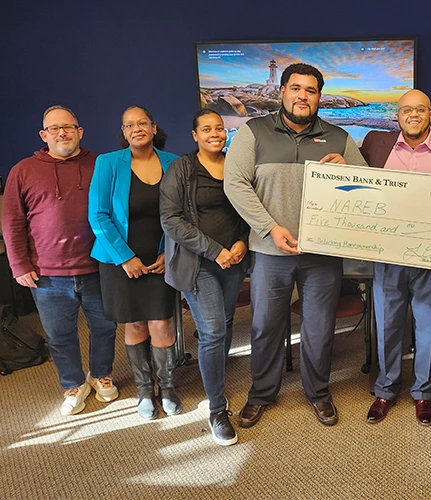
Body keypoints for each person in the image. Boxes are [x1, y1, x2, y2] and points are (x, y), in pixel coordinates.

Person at [224, 63, 368, 428]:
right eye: (296, 88)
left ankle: (318, 393)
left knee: (319, 328)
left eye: (311, 90)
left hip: (321, 254)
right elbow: (235, 184)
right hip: (270, 250)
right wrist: (270, 228)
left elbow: (367, 190)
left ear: (319, 97)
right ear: (282, 92)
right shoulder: (253, 132)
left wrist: (349, 172)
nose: (303, 96)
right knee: (265, 326)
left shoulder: (340, 138)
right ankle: (261, 393)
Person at [360, 89, 431, 426]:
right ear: (397, 115)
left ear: (430, 114)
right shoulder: (375, 144)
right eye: (406, 110)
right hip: (387, 252)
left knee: (430, 326)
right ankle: (386, 389)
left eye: (420, 109)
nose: (413, 115)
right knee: (387, 324)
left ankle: (424, 392)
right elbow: (358, 183)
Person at [2, 105, 118, 416]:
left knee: (105, 327)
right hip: (47, 275)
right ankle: (73, 385)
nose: (62, 133)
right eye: (54, 128)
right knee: (59, 335)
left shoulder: (100, 164)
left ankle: (101, 375)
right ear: (44, 135)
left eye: (68, 127)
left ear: (80, 131)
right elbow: (12, 221)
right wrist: (19, 264)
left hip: (98, 267)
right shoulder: (23, 170)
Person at [161, 109, 250, 445]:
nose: (215, 134)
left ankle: (215, 374)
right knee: (212, 332)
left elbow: (249, 207)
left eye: (220, 128)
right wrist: (215, 251)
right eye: (207, 129)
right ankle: (217, 409)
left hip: (233, 261)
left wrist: (242, 241)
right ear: (195, 135)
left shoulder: (236, 165)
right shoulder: (181, 169)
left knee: (224, 322)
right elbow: (170, 219)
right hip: (198, 263)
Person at [89, 105, 180, 420]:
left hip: (162, 258)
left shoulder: (174, 163)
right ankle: (144, 391)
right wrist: (125, 258)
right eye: (129, 125)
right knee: (135, 323)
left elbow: (181, 214)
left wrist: (169, 252)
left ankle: (167, 388)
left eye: (142, 123)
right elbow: (98, 215)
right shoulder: (108, 163)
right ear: (123, 132)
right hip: (120, 261)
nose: (136, 128)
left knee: (162, 322)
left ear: (154, 127)